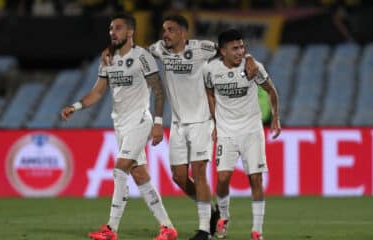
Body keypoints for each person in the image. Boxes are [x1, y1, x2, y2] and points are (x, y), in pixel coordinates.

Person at [102, 15, 258, 240]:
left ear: (183, 33)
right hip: (177, 124)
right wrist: (110, 49)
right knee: (179, 177)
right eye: (164, 30)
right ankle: (213, 212)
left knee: (199, 171)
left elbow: (230, 50)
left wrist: (249, 57)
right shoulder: (159, 50)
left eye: (170, 30)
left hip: (201, 121)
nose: (165, 34)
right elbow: (133, 49)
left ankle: (204, 229)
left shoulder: (201, 48)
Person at [61, 13, 177, 240]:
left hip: (140, 120)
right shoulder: (108, 59)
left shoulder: (142, 56)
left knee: (119, 168)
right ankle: (167, 227)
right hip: (120, 124)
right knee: (140, 174)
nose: (113, 32)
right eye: (111, 29)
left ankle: (111, 229)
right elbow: (97, 92)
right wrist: (75, 106)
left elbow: (158, 90)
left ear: (131, 32)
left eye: (118, 28)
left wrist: (157, 123)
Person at [203, 29, 281, 240]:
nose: (240, 51)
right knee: (222, 179)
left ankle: (257, 231)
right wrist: (215, 121)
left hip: (252, 132)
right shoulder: (210, 70)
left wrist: (275, 118)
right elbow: (209, 92)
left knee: (255, 179)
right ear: (222, 51)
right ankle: (224, 217)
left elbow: (271, 91)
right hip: (227, 133)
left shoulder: (254, 68)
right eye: (234, 48)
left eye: (242, 47)